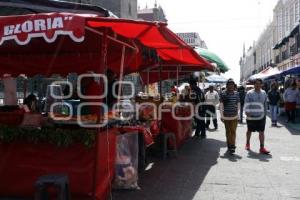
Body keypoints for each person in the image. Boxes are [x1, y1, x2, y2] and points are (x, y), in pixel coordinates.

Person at [244, 78, 270, 154]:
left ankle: (262, 147)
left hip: (261, 116)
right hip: (251, 115)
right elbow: (246, 103)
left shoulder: (264, 93)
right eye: (256, 84)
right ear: (254, 84)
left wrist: (265, 113)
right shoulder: (249, 93)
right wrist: (247, 111)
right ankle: (247, 143)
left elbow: (265, 103)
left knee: (261, 132)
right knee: (249, 130)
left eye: (259, 84)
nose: (258, 85)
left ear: (261, 85)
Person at [219, 78, 240, 154]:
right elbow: (221, 105)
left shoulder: (237, 93)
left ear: (234, 86)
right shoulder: (223, 94)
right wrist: (221, 115)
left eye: (232, 84)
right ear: (227, 85)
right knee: (228, 131)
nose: (231, 86)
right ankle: (229, 145)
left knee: (233, 131)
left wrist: (238, 114)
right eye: (229, 84)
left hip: (234, 115)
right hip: (226, 115)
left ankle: (233, 145)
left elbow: (238, 104)